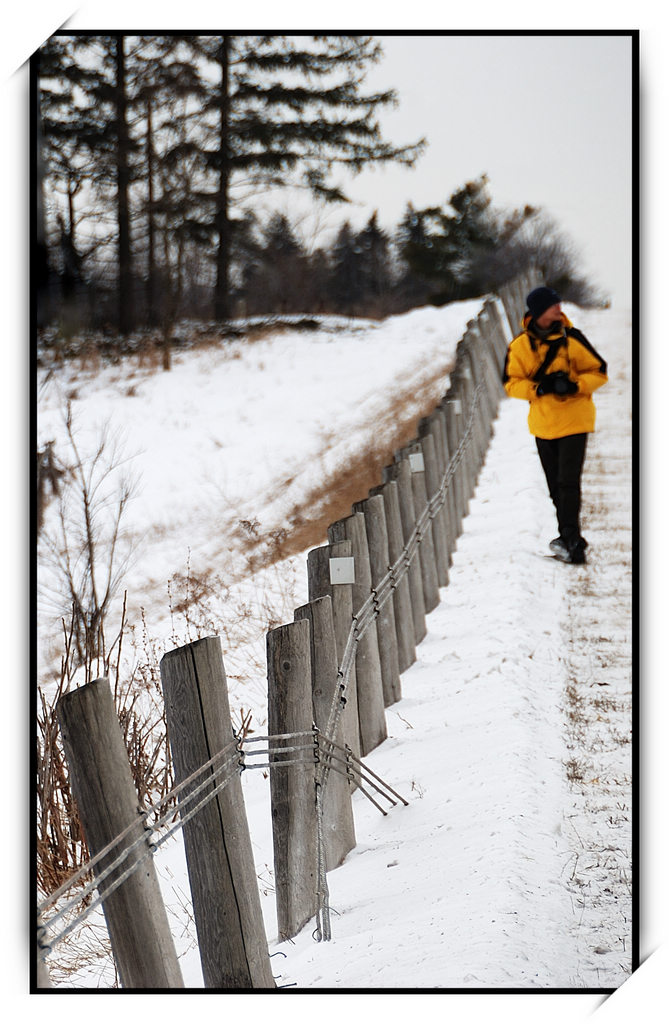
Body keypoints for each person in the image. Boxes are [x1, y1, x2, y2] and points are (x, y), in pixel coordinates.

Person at [503, 286, 608, 564]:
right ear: (538, 311)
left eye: (559, 305)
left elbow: (599, 371)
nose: (559, 309)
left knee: (567, 482)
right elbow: (512, 383)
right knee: (554, 487)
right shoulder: (520, 346)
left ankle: (573, 540)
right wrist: (538, 388)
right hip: (543, 423)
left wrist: (575, 385)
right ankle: (569, 538)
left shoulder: (573, 340)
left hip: (575, 419)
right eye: (554, 306)